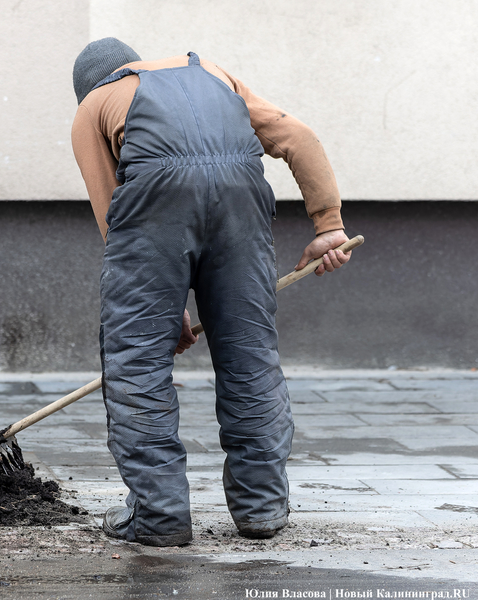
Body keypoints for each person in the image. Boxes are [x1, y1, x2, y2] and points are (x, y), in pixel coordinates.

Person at [70, 38, 351, 546]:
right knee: (249, 354)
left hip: (155, 201)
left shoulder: (94, 105)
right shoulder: (216, 75)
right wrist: (327, 224)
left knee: (137, 363)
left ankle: (158, 517)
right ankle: (262, 508)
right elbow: (300, 138)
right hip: (240, 195)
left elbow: (114, 216)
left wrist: (161, 304)